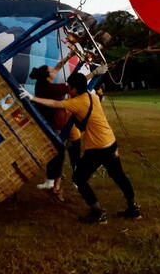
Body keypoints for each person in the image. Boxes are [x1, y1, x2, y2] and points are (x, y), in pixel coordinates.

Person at [22, 68, 140, 224]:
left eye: (70, 87)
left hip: (97, 148)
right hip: (110, 141)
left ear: (75, 89)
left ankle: (98, 212)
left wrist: (32, 98)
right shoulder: (93, 97)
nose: (68, 89)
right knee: (119, 176)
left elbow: (55, 103)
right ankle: (133, 208)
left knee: (79, 178)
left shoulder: (76, 103)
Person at [29, 52, 80, 199]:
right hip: (54, 123)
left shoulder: (42, 82)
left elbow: (57, 67)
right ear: (47, 75)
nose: (55, 71)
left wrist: (69, 56)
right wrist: (94, 74)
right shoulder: (52, 89)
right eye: (51, 71)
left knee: (68, 145)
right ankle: (55, 182)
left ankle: (59, 180)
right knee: (58, 151)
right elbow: (76, 84)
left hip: (61, 120)